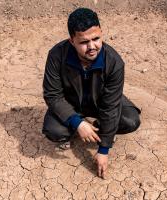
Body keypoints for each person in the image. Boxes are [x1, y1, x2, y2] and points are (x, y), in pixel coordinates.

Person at [42, 8, 141, 178]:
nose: (92, 47)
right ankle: (79, 128)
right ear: (72, 41)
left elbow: (111, 106)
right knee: (54, 131)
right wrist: (78, 123)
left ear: (101, 33)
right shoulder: (56, 55)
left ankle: (100, 128)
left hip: (102, 102)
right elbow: (52, 95)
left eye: (96, 39)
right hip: (71, 103)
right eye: (83, 42)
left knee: (131, 121)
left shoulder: (114, 62)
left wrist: (104, 148)